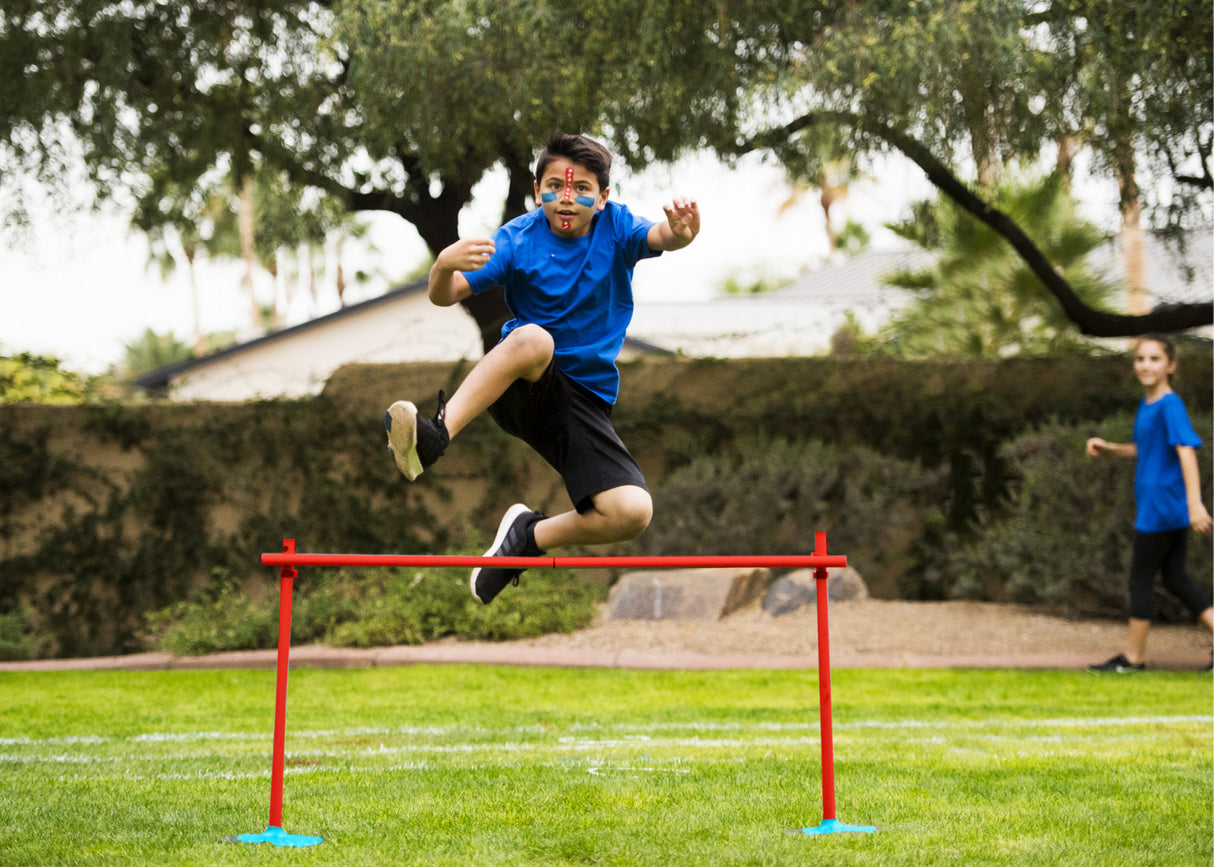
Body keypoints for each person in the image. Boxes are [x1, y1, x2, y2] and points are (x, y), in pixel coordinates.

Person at [384, 132, 700, 604]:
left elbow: (661, 236)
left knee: (632, 511)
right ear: (537, 191)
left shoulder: (616, 227)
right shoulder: (518, 239)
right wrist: (443, 265)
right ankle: (435, 436)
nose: (567, 199)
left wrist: (681, 232)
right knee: (533, 338)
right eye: (555, 186)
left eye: (582, 189)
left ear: (604, 197)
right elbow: (445, 295)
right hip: (524, 386)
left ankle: (528, 538)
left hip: (583, 403)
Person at [1085, 334, 1213, 672]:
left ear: (1171, 365)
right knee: (1175, 578)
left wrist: (1195, 503)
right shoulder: (1149, 404)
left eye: (1155, 359)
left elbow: (1186, 453)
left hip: (1161, 505)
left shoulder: (1170, 405)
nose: (1146, 365)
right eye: (1140, 358)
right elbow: (1147, 450)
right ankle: (1134, 657)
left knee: (1140, 579)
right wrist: (1110, 448)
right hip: (1161, 503)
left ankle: (1133, 658)